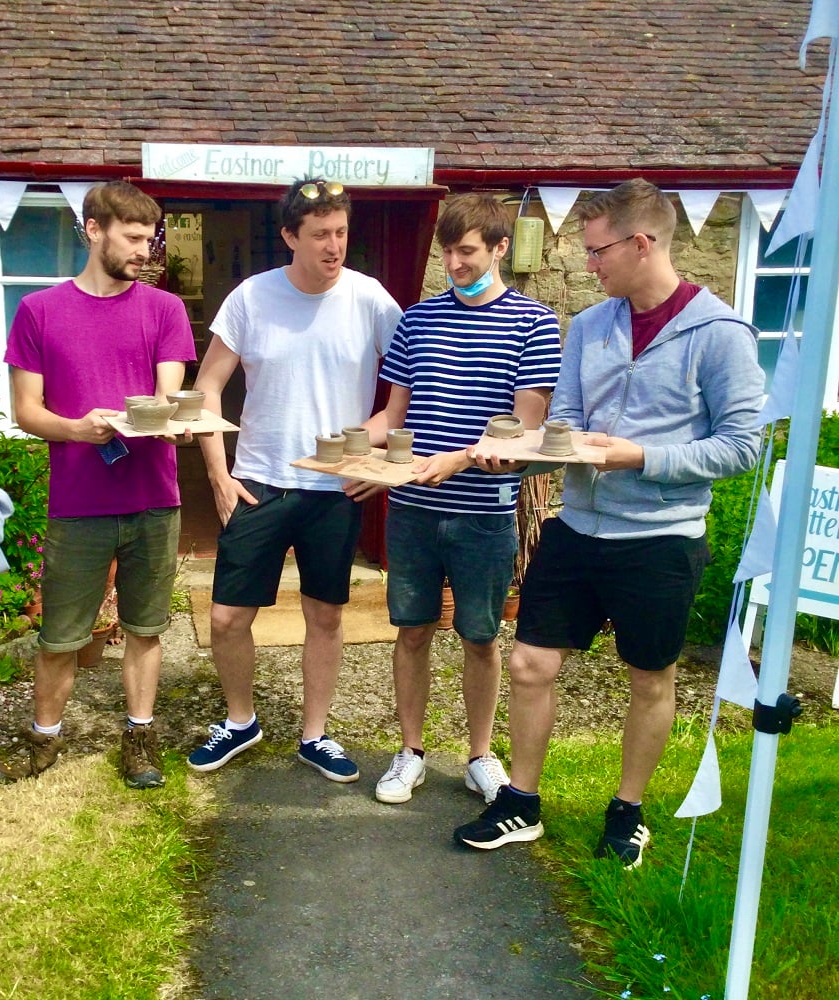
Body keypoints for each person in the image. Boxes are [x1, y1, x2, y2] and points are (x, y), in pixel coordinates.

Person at [453, 178, 765, 867]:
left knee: (648, 675)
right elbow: (564, 428)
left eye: (597, 252)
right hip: (578, 528)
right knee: (531, 663)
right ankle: (522, 803)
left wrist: (639, 457)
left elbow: (743, 446)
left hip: (662, 539)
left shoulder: (721, 335)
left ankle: (627, 810)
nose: (589, 265)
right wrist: (519, 461)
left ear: (642, 243)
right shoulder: (591, 326)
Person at [186, 177, 402, 782]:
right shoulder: (251, 299)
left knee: (326, 615)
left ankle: (315, 734)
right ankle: (240, 721)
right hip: (259, 479)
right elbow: (207, 386)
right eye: (320, 236)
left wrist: (371, 458)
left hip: (333, 489)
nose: (334, 247)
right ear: (289, 237)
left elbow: (404, 395)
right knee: (228, 616)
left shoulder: (371, 300)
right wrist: (219, 476)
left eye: (341, 233)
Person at [0, 180, 195, 790]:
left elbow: (168, 397)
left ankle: (140, 735)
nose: (145, 253)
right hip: (79, 503)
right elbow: (26, 411)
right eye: (132, 239)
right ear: (94, 229)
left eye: (149, 240)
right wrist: (76, 429)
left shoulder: (164, 310)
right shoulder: (40, 312)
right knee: (60, 636)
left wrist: (175, 425)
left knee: (146, 628)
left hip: (155, 497)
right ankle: (42, 740)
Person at [349, 193, 561, 806]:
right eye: (447, 250)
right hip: (413, 511)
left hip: (485, 513)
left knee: (479, 637)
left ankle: (479, 756)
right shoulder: (417, 320)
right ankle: (410, 752)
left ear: (500, 248)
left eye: (466, 251)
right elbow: (391, 416)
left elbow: (523, 428)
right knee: (412, 632)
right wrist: (340, 451)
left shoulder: (534, 322)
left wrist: (461, 459)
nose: (453, 262)